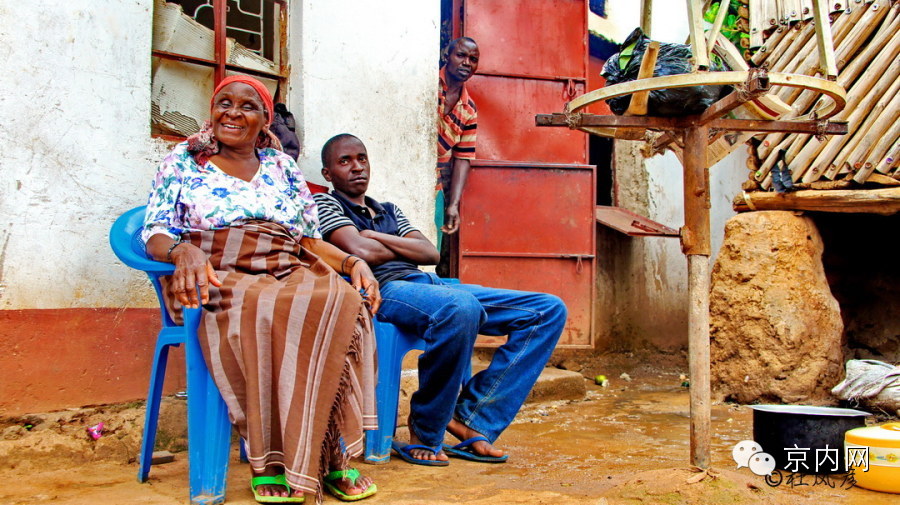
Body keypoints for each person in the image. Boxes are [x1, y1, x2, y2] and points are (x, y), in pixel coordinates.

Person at [141, 76, 379, 503]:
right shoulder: (183, 161)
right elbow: (155, 230)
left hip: (286, 261)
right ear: (212, 112)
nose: (232, 112)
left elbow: (307, 238)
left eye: (247, 106)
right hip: (216, 269)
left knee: (341, 300)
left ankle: (331, 453)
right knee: (263, 306)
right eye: (224, 103)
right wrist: (181, 252)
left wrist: (351, 261)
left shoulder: (282, 167)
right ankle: (268, 460)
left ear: (265, 119)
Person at [314, 134, 567, 466]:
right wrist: (391, 244)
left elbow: (429, 252)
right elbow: (360, 252)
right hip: (386, 289)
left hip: (428, 284)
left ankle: (474, 418)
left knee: (547, 310)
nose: (357, 167)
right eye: (344, 161)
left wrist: (375, 235)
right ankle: (426, 428)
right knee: (461, 308)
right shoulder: (326, 205)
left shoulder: (387, 210)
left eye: (362, 158)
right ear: (328, 173)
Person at [435, 37, 479, 277]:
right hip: (404, 176)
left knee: (428, 249)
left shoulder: (469, 109)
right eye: (461, 55)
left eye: (473, 59)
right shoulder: (426, 85)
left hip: (435, 188)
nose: (467, 63)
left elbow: (463, 157)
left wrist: (453, 204)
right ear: (446, 55)